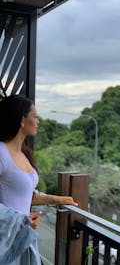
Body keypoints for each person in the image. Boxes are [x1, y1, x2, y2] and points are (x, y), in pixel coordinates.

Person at [0, 94, 77, 264]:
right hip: (7, 243)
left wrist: (58, 199)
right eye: (35, 116)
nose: (38, 121)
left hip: (24, 237)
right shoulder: (2, 153)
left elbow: (24, 194)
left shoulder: (23, 153)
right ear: (22, 120)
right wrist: (21, 223)